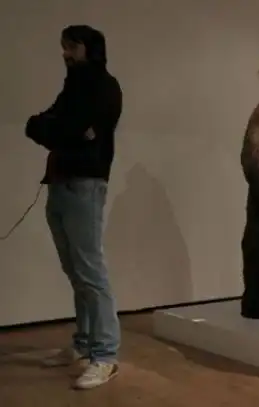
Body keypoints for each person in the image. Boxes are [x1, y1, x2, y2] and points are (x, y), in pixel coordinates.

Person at [24, 25, 123, 390]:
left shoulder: (105, 87)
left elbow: (64, 129)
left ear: (89, 48)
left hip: (85, 185)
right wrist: (56, 128)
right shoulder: (72, 87)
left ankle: (106, 356)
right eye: (64, 46)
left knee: (90, 272)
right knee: (75, 270)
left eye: (72, 46)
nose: (65, 53)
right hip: (60, 183)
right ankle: (82, 344)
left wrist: (56, 129)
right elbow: (41, 125)